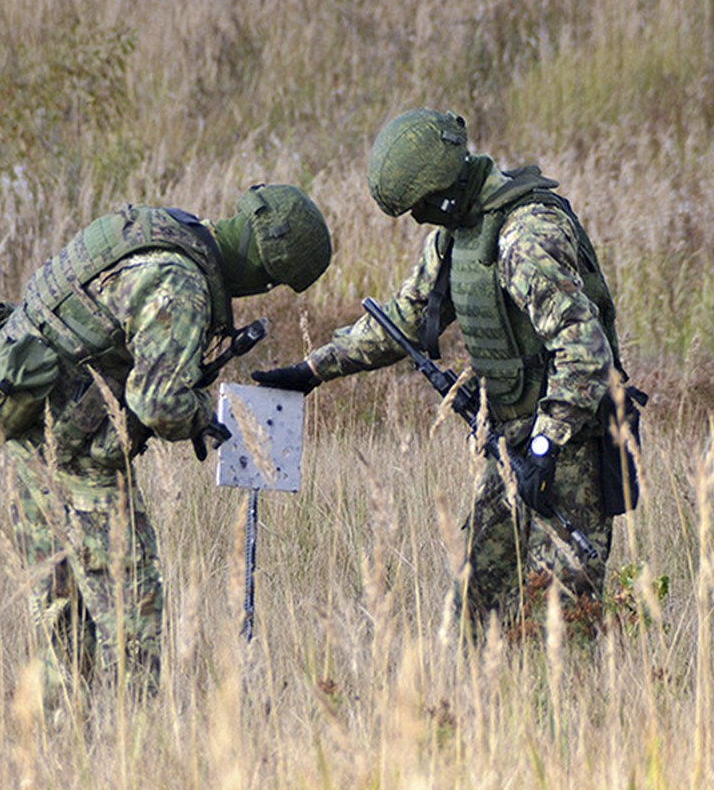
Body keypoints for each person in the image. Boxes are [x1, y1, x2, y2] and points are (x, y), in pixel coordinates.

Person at [253, 110, 638, 640]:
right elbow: (403, 319)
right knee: (472, 614)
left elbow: (583, 352)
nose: (419, 220)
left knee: (563, 627)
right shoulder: (460, 236)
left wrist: (545, 449)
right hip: (510, 444)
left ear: (445, 186)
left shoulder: (525, 238)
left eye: (422, 207)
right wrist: (313, 370)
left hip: (570, 449)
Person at [0, 184, 331, 706]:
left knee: (60, 608)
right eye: (270, 281)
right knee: (133, 610)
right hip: (79, 456)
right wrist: (202, 419)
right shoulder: (182, 284)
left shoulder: (153, 232)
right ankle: (136, 738)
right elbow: (157, 401)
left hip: (26, 432)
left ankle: (63, 737)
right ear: (265, 268)